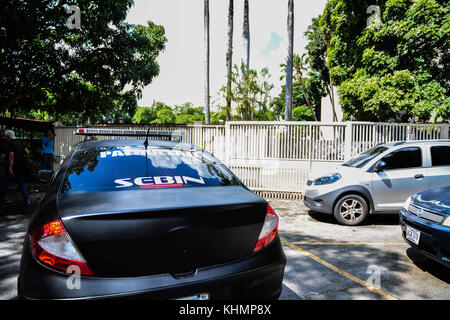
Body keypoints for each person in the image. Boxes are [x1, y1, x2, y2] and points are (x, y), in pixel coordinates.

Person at [0, 129, 31, 206]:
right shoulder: (20, 142)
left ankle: (0, 198)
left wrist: (10, 166)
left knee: (5, 182)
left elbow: (11, 155)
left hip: (13, 166)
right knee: (21, 182)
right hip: (21, 166)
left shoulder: (10, 144)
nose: (5, 137)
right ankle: (27, 199)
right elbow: (27, 152)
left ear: (8, 136)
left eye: (5, 136)